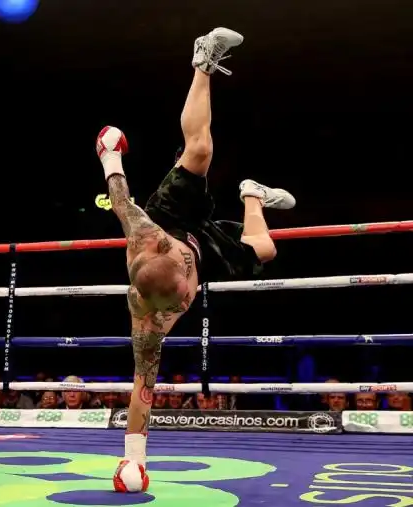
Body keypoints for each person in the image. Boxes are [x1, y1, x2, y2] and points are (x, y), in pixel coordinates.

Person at [97, 28, 296, 491]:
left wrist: (109, 153)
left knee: (201, 150)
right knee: (263, 251)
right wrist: (133, 460)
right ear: (180, 296)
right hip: (200, 237)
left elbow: (121, 198)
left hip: (175, 216)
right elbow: (142, 387)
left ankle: (203, 60)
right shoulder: (150, 322)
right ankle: (253, 194)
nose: (191, 287)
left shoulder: (146, 234)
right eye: (188, 288)